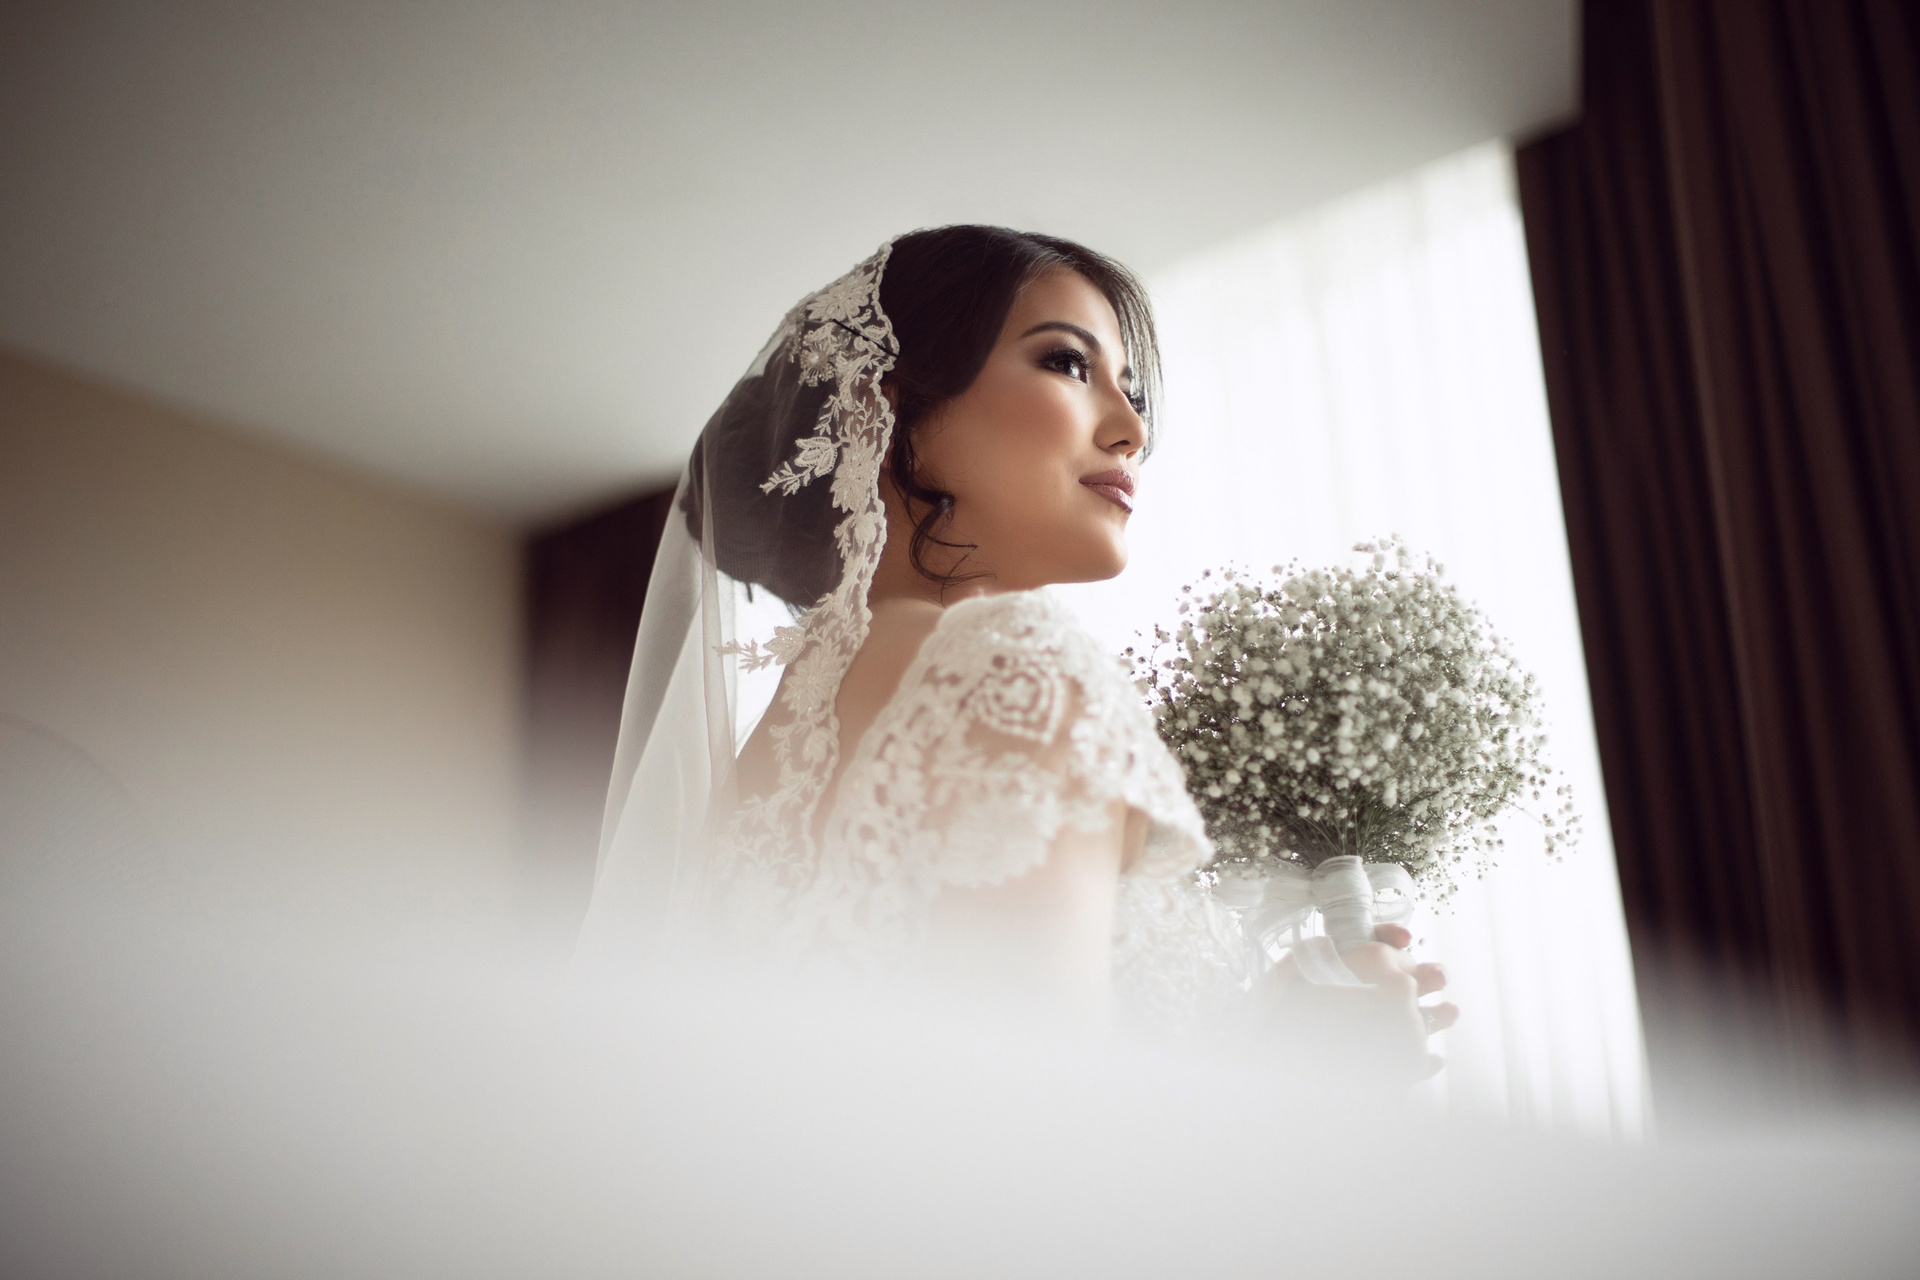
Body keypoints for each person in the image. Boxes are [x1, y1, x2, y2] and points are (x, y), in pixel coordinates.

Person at [576, 226, 1451, 1071]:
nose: (1132, 430)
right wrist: (1311, 1077)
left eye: (1133, 392)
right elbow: (1036, 1138)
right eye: (1067, 362)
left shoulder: (757, 764)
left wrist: (1271, 1033)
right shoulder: (1011, 673)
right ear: (885, 405)